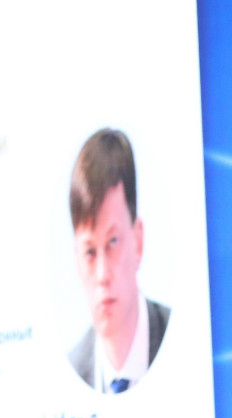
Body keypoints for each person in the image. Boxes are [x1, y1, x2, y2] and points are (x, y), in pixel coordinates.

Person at [67, 128, 170, 393]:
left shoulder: (181, 339)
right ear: (76, 259)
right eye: (90, 252)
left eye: (113, 242)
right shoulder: (70, 375)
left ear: (138, 241)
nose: (103, 275)